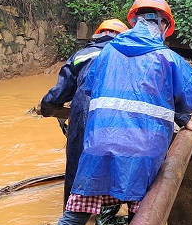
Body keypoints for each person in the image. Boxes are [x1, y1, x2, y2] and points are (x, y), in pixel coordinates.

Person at [12, 0, 192, 225]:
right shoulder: (168, 59)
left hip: (99, 150)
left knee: (74, 216)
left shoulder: (103, 55)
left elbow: (87, 90)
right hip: (144, 156)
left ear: (133, 20)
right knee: (139, 212)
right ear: (165, 27)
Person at [39, 18, 128, 212]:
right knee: (115, 164)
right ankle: (107, 214)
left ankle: (72, 214)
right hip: (120, 120)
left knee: (76, 164)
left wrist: (46, 107)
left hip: (84, 116)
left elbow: (60, 93)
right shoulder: (129, 56)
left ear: (97, 35)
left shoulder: (81, 55)